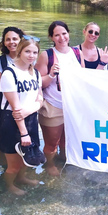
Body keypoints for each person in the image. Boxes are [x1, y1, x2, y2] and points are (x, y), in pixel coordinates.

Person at [35, 21, 85, 176]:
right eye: (57, 35)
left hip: (72, 106)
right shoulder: (47, 55)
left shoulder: (77, 53)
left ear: (68, 34)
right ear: (52, 37)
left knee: (66, 141)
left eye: (64, 33)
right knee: (51, 143)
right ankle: (49, 165)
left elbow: (83, 77)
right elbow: (37, 83)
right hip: (53, 105)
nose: (61, 37)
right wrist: (50, 74)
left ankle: (64, 160)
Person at [0, 36, 43, 196]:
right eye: (28, 51)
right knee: (14, 164)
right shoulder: (9, 74)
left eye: (35, 52)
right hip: (12, 123)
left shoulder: (35, 74)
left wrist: (30, 110)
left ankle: (22, 178)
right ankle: (10, 185)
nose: (31, 55)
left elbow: (41, 99)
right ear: (20, 51)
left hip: (31, 120)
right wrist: (24, 133)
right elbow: (16, 109)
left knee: (27, 158)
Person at [0, 27, 24, 101]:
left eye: (15, 39)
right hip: (6, 106)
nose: (11, 42)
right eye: (8, 40)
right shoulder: (1, 61)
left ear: (21, 41)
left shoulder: (29, 59)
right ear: (4, 43)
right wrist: (0, 107)